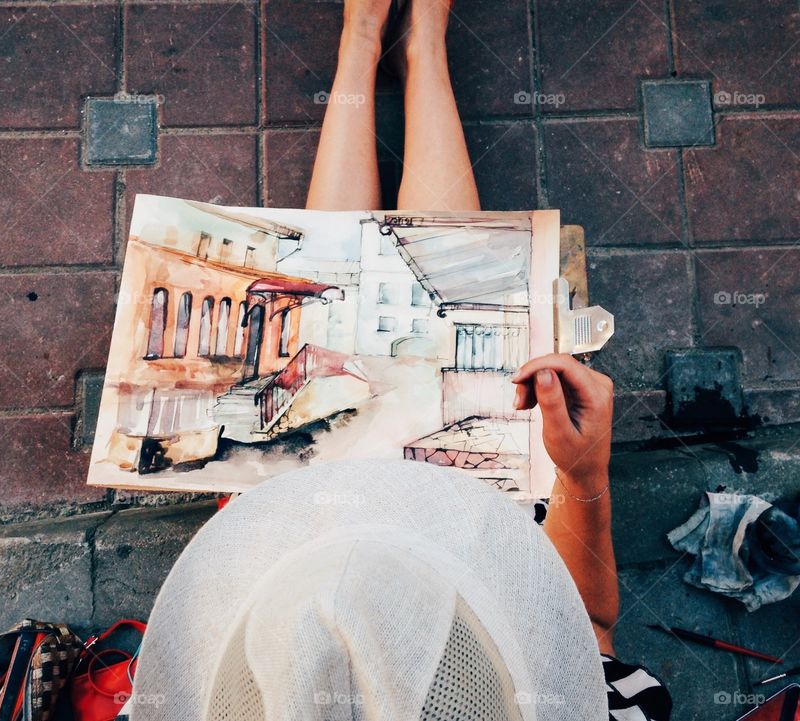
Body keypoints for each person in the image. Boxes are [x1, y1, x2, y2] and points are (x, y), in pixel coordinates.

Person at [128, 1, 672, 719]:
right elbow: (586, 627)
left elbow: (587, 634)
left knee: (332, 316)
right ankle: (423, 51)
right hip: (400, 530)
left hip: (294, 534)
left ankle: (362, 43)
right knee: (386, 305)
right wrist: (582, 475)